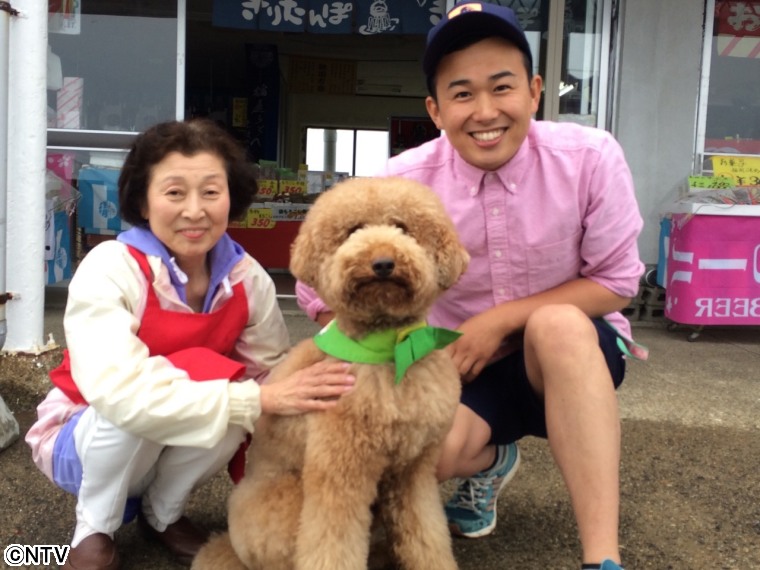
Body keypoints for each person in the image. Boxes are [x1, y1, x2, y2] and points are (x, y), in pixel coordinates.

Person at [296, 3, 646, 569]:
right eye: (462, 94)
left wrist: (498, 321)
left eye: (502, 87)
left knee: (557, 325)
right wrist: (363, 347)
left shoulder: (590, 157)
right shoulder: (400, 183)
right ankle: (490, 463)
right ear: (436, 109)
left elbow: (617, 282)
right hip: (459, 367)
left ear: (534, 91)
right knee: (417, 457)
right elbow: (316, 288)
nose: (485, 111)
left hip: (571, 355)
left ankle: (602, 558)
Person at [26, 119, 356, 570]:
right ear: (143, 201)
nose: (195, 210)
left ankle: (163, 513)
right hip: (87, 437)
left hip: (171, 438)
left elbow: (269, 374)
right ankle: (93, 527)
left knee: (243, 399)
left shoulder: (247, 277)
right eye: (175, 192)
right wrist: (256, 398)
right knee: (163, 399)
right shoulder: (111, 267)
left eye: (211, 192)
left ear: (231, 197)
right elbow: (119, 392)